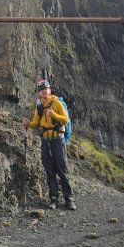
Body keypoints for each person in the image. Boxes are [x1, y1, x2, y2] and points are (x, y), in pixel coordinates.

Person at [23, 79, 76, 210]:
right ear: (39, 92)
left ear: (50, 89)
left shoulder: (56, 102)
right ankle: (53, 199)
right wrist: (28, 124)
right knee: (50, 170)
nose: (44, 91)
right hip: (45, 141)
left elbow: (65, 119)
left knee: (62, 169)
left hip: (58, 139)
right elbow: (37, 122)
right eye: (41, 90)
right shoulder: (39, 106)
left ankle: (69, 199)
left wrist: (53, 114)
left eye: (45, 89)